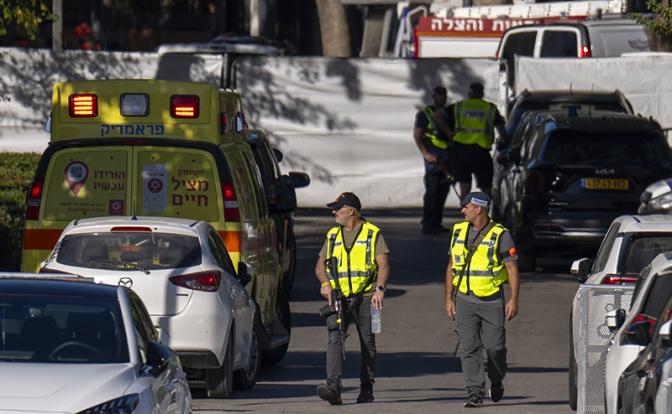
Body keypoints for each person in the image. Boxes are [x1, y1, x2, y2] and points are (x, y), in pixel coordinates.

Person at [444, 192, 520, 408]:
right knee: (468, 348)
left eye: (465, 206)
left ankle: (496, 380)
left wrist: (514, 299)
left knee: (495, 348)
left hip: (491, 300)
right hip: (464, 299)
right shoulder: (458, 231)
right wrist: (448, 299)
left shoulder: (501, 235)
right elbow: (451, 266)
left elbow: (512, 268)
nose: (462, 210)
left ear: (479, 209)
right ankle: (474, 392)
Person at [315, 192, 390, 405]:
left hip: (366, 297)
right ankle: (333, 386)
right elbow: (320, 266)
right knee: (334, 337)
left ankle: (367, 388)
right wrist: (325, 284)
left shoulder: (372, 233)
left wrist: (380, 289)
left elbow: (383, 265)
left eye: (337, 209)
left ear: (350, 211)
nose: (334, 212)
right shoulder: (332, 235)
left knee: (367, 341)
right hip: (339, 298)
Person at [433, 82, 506, 199]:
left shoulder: (460, 106)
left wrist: (448, 132)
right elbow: (502, 130)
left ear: (469, 94)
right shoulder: (490, 108)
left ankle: (466, 211)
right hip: (481, 152)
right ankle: (483, 214)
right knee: (486, 187)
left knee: (465, 186)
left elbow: (437, 116)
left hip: (461, 151)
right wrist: (505, 142)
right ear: (482, 94)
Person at [413, 86, 454, 234]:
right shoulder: (425, 114)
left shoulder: (447, 113)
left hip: (447, 155)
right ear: (433, 96)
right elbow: (418, 135)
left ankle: (436, 222)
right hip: (433, 155)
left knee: (443, 190)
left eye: (444, 95)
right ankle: (428, 222)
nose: (442, 98)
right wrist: (425, 153)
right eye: (439, 95)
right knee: (433, 190)